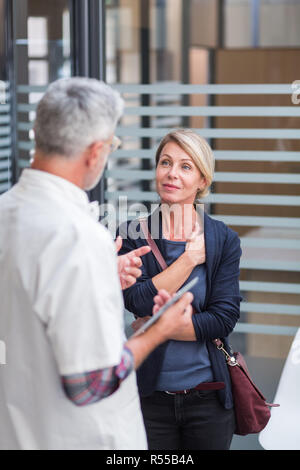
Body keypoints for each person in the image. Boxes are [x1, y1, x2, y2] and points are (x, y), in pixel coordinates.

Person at [0, 78, 194, 450]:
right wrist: (157, 329)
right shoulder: (78, 238)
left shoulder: (7, 212)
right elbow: (91, 383)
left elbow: (26, 297)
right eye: (112, 146)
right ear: (94, 152)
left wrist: (101, 275)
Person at [118, 129, 243, 450]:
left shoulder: (223, 239)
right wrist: (189, 260)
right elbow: (135, 300)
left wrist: (155, 326)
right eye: (165, 162)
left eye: (186, 166)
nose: (172, 173)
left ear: (203, 180)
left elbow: (223, 319)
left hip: (208, 399)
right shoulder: (132, 235)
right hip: (149, 400)